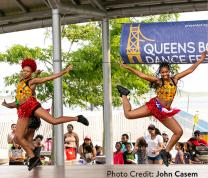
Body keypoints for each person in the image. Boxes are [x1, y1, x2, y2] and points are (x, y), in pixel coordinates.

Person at [117, 51, 207, 166]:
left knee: (179, 132)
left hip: (164, 112)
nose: (164, 74)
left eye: (166, 72)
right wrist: (128, 67)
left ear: (169, 71)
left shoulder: (175, 79)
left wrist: (200, 60)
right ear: (160, 72)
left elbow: (189, 70)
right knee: (128, 115)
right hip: (154, 106)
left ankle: (166, 151)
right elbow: (142, 75)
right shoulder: (158, 81)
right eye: (162, 72)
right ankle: (124, 94)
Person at [2, 58, 89, 170]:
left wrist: (64, 71)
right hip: (23, 111)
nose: (24, 73)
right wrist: (7, 105)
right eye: (23, 70)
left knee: (53, 121)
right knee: (18, 138)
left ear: (31, 73)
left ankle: (77, 118)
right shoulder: (21, 83)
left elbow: (48, 78)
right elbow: (18, 102)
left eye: (27, 71)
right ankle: (33, 155)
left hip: (32, 106)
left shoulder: (32, 81)